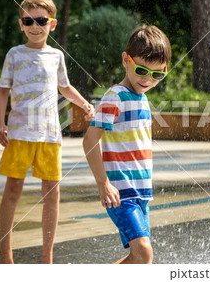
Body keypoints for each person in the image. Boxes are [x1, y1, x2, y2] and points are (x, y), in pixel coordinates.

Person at [0, 0, 94, 264]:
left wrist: (85, 104)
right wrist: (0, 123)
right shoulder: (14, 54)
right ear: (21, 24)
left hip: (50, 135)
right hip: (19, 134)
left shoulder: (57, 56)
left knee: (52, 193)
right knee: (13, 189)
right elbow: (2, 91)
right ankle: (6, 255)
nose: (35, 26)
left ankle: (47, 258)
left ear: (52, 24)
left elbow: (65, 87)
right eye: (29, 20)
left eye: (41, 20)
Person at [83, 25, 171, 264]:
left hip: (141, 191)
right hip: (121, 192)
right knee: (144, 253)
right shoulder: (116, 96)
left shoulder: (142, 98)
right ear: (126, 60)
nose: (147, 79)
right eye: (142, 70)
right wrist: (103, 184)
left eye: (157, 75)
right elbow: (90, 139)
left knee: (139, 258)